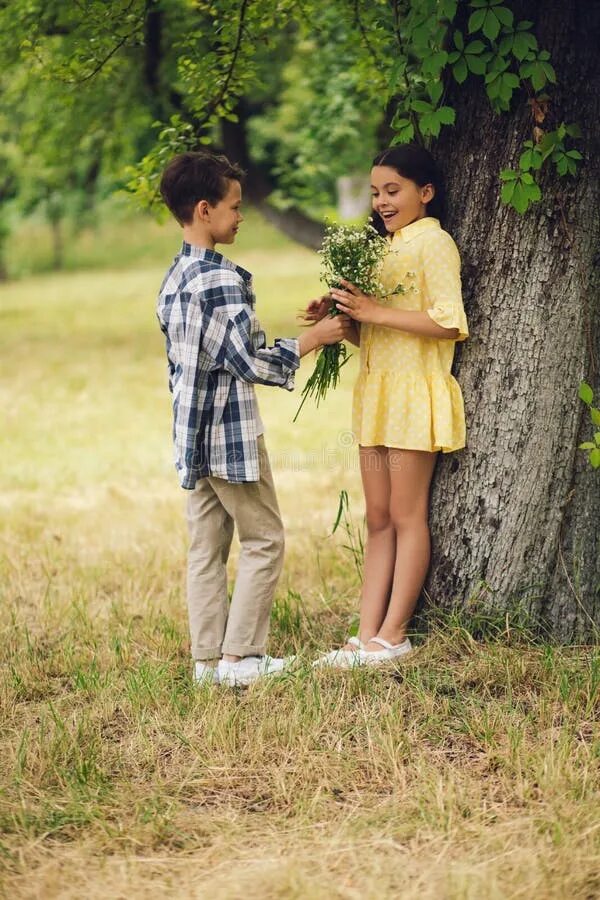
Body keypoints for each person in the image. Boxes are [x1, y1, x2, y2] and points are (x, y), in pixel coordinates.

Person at [157, 151, 351, 686]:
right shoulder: (218, 280)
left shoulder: (174, 276)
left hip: (191, 433)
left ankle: (206, 662)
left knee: (206, 546)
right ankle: (241, 658)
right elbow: (248, 359)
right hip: (229, 435)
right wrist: (314, 339)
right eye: (235, 207)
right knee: (265, 537)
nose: (240, 216)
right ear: (204, 210)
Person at [309, 145, 469, 668]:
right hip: (376, 393)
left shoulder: (435, 243)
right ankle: (365, 635)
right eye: (376, 192)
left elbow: (448, 322)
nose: (381, 201)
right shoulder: (384, 249)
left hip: (413, 395)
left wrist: (376, 309)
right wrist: (345, 318)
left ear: (426, 192)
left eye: (393, 190)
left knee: (405, 515)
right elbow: (383, 334)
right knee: (377, 517)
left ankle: (395, 635)